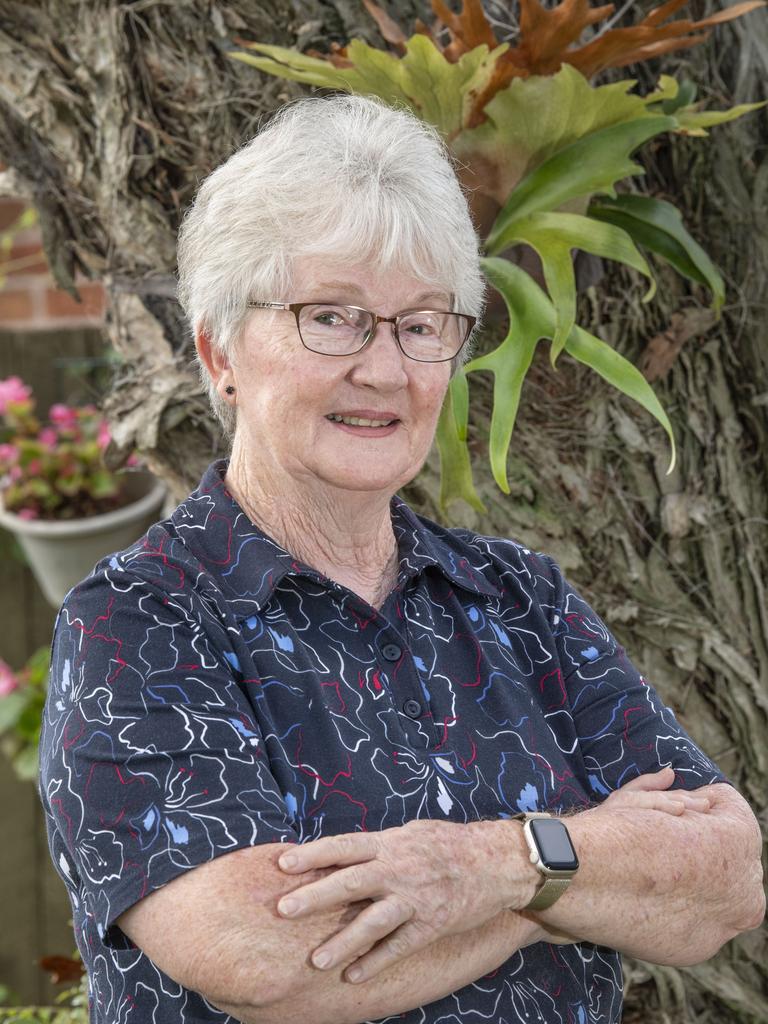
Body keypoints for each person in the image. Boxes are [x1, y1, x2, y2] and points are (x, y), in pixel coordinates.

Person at [38, 94, 763, 1024]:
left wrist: (492, 869)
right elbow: (270, 956)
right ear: (220, 351)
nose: (385, 370)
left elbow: (727, 876)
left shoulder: (518, 598)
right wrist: (580, 881)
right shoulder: (141, 621)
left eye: (423, 325)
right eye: (332, 317)